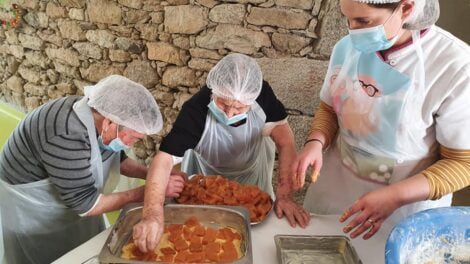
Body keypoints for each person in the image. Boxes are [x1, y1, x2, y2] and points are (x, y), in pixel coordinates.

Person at [295, 0, 470, 241]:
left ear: (406, 9)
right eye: (347, 19)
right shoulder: (347, 48)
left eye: (363, 21)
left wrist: (395, 196)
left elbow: (462, 164)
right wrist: (315, 142)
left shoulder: (455, 66)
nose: (352, 30)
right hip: (337, 185)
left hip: (403, 205)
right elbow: (330, 107)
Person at [132, 53, 310, 253]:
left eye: (240, 108)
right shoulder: (195, 111)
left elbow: (285, 142)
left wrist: (285, 195)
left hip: (253, 175)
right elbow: (163, 160)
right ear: (214, 90)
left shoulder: (261, 95)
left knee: (256, 237)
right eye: (223, 104)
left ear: (251, 99)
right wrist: (152, 214)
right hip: (207, 179)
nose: (230, 113)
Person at [0, 75, 185, 264]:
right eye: (134, 137)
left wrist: (154, 177)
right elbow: (86, 204)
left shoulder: (99, 122)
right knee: (47, 256)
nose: (132, 143)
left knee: (81, 249)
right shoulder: (65, 135)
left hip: (71, 198)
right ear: (109, 123)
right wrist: (151, 191)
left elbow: (118, 161)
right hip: (32, 206)